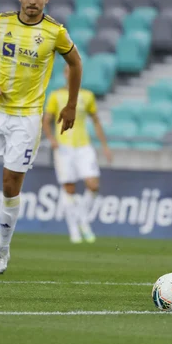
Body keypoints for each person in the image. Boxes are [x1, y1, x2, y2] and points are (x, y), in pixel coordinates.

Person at [0, 0, 82, 274]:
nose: (32, 1)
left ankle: (2, 249)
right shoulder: (1, 23)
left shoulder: (55, 32)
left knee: (10, 185)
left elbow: (76, 63)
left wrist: (70, 105)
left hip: (27, 117)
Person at [43, 65, 112, 244]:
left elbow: (96, 121)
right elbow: (46, 120)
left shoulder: (87, 96)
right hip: (63, 147)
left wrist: (104, 146)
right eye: (68, 72)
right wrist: (51, 139)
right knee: (70, 189)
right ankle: (74, 229)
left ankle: (82, 220)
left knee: (93, 184)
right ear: (65, 75)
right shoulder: (56, 95)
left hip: (84, 146)